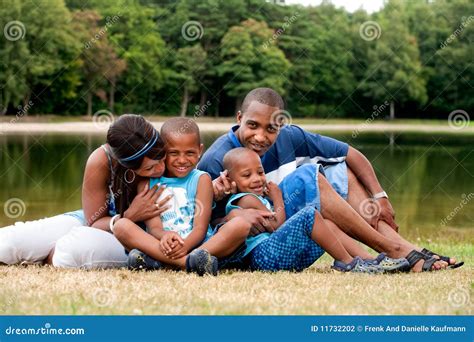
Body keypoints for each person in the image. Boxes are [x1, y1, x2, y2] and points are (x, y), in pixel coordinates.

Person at [198, 88, 463, 272]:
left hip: (281, 214)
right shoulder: (217, 159)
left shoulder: (291, 136)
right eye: (253, 125)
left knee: (342, 170)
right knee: (307, 176)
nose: (260, 137)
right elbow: (199, 221)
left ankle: (401, 251)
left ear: (280, 126)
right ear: (239, 119)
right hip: (259, 239)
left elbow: (351, 153)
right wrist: (217, 197)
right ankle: (393, 250)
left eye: (271, 129)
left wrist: (380, 197)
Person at [0, 114, 171, 269]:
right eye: (149, 168)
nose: (161, 168)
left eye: (162, 159)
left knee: (70, 250)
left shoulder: (175, 152)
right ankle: (42, 252)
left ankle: (49, 257)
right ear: (128, 166)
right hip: (102, 221)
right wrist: (130, 216)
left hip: (135, 238)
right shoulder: (102, 160)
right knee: (9, 242)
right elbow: (94, 221)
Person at [222, 147, 410, 273]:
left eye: (260, 172)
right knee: (310, 214)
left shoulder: (255, 197)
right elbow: (276, 226)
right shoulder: (245, 199)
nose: (257, 179)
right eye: (247, 175)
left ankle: (369, 259)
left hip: (275, 255)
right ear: (231, 180)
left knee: (326, 223)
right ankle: (347, 262)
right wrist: (277, 195)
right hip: (263, 258)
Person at [112, 118, 251, 276]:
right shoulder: (147, 183)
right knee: (121, 225)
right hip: (161, 244)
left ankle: (165, 262)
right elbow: (154, 227)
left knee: (241, 225)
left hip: (200, 244)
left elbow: (200, 227)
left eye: (190, 153)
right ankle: (189, 264)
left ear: (200, 151)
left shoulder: (201, 179)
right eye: (174, 153)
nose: (182, 160)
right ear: (163, 152)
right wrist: (165, 236)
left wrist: (185, 246)